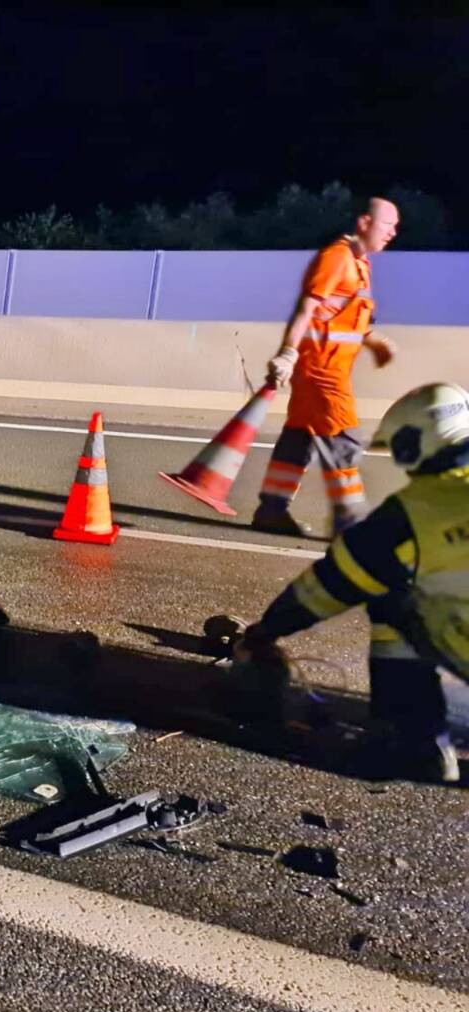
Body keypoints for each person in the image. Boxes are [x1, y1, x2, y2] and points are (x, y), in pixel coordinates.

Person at [237, 383, 469, 784]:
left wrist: (268, 630)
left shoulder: (411, 515)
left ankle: (414, 742)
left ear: (417, 443)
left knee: (394, 606)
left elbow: (331, 584)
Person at [254, 198, 400, 538]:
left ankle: (272, 511)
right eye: (387, 224)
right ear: (364, 223)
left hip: (326, 370)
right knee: (344, 438)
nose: (393, 233)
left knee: (299, 438)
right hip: (322, 372)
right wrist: (287, 353)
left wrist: (374, 342)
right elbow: (306, 310)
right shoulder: (336, 258)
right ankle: (349, 522)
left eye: (395, 227)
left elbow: (343, 319)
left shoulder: (360, 264)